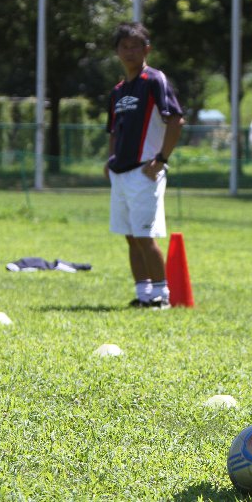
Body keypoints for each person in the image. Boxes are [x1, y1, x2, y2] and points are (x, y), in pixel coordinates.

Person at [105, 22, 184, 310]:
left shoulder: (154, 80)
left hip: (145, 171)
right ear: (117, 51)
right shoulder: (117, 91)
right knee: (131, 237)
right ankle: (144, 295)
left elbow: (175, 120)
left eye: (135, 46)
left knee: (145, 235)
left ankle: (162, 296)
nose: (129, 52)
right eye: (124, 47)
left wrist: (161, 159)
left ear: (146, 49)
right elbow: (114, 132)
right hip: (120, 173)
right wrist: (110, 160)